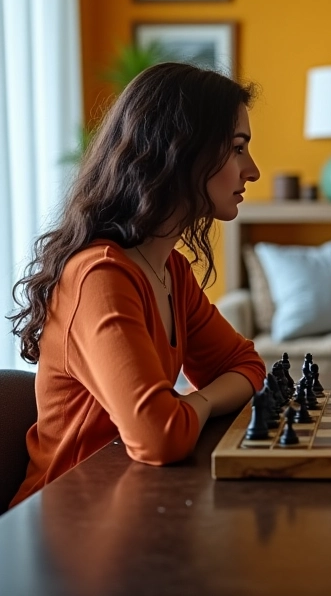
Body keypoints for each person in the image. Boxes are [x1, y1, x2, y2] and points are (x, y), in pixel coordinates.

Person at [8, 62, 267, 507]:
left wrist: (192, 404)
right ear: (181, 152)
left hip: (135, 502)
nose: (253, 170)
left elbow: (247, 366)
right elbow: (160, 437)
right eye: (237, 148)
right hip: (62, 523)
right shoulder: (99, 277)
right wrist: (192, 406)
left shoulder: (171, 270)